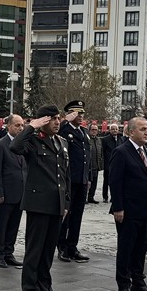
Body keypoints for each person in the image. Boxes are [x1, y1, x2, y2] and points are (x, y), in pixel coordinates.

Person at [10, 105, 71, 291]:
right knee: (34, 252)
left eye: (58, 118)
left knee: (47, 253)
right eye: (52, 118)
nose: (57, 122)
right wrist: (31, 127)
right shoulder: (34, 141)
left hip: (56, 205)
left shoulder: (62, 142)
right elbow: (15, 147)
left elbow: (65, 175)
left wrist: (66, 203)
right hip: (38, 205)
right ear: (43, 121)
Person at [108, 116, 147, 291]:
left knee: (140, 249)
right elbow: (115, 181)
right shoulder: (122, 152)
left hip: (146, 210)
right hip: (128, 211)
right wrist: (118, 207)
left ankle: (139, 282)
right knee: (126, 248)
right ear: (131, 132)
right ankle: (124, 284)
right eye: (142, 129)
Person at [0, 113, 27, 269]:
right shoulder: (0, 145)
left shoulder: (23, 145)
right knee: (2, 225)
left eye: (22, 125)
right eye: (17, 125)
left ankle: (9, 252)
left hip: (20, 192)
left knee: (14, 225)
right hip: (5, 193)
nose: (20, 128)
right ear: (8, 126)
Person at [57, 101, 91, 263]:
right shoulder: (65, 130)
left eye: (82, 114)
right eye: (77, 114)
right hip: (70, 179)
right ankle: (62, 246)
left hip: (82, 180)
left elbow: (86, 158)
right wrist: (65, 121)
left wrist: (88, 177)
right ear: (70, 114)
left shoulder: (84, 132)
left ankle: (72, 246)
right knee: (67, 214)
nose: (81, 117)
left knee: (77, 215)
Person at [100, 123, 122, 201]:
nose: (115, 130)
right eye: (113, 129)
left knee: (116, 181)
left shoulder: (120, 139)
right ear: (110, 130)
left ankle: (114, 197)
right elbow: (102, 151)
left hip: (118, 164)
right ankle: (105, 196)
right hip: (108, 163)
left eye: (116, 129)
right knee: (106, 181)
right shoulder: (105, 139)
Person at [86, 122, 103, 203]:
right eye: (92, 130)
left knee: (94, 184)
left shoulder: (99, 140)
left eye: (96, 130)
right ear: (89, 130)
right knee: (87, 183)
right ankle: (85, 198)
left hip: (96, 165)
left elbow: (101, 152)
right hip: (88, 166)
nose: (94, 131)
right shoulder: (86, 139)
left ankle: (91, 197)